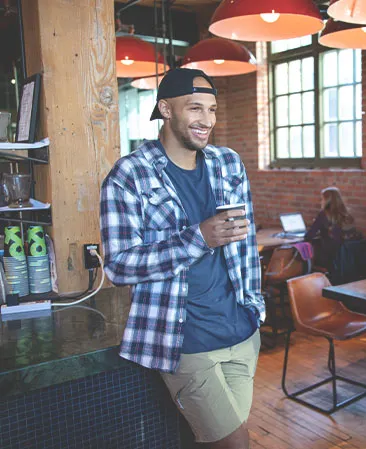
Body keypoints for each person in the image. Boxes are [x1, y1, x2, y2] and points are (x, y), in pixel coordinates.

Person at [100, 68, 264, 449]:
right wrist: (198, 238)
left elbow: (246, 240)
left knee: (210, 442)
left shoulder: (228, 163)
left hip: (242, 330)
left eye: (212, 109)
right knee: (235, 444)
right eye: (195, 108)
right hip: (185, 340)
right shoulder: (129, 175)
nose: (207, 120)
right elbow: (119, 265)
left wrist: (254, 309)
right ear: (166, 109)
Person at [304, 186, 360, 270]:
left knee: (306, 255)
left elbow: (309, 236)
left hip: (330, 257)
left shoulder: (323, 214)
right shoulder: (347, 213)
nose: (321, 201)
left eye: (322, 199)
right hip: (347, 256)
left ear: (327, 201)